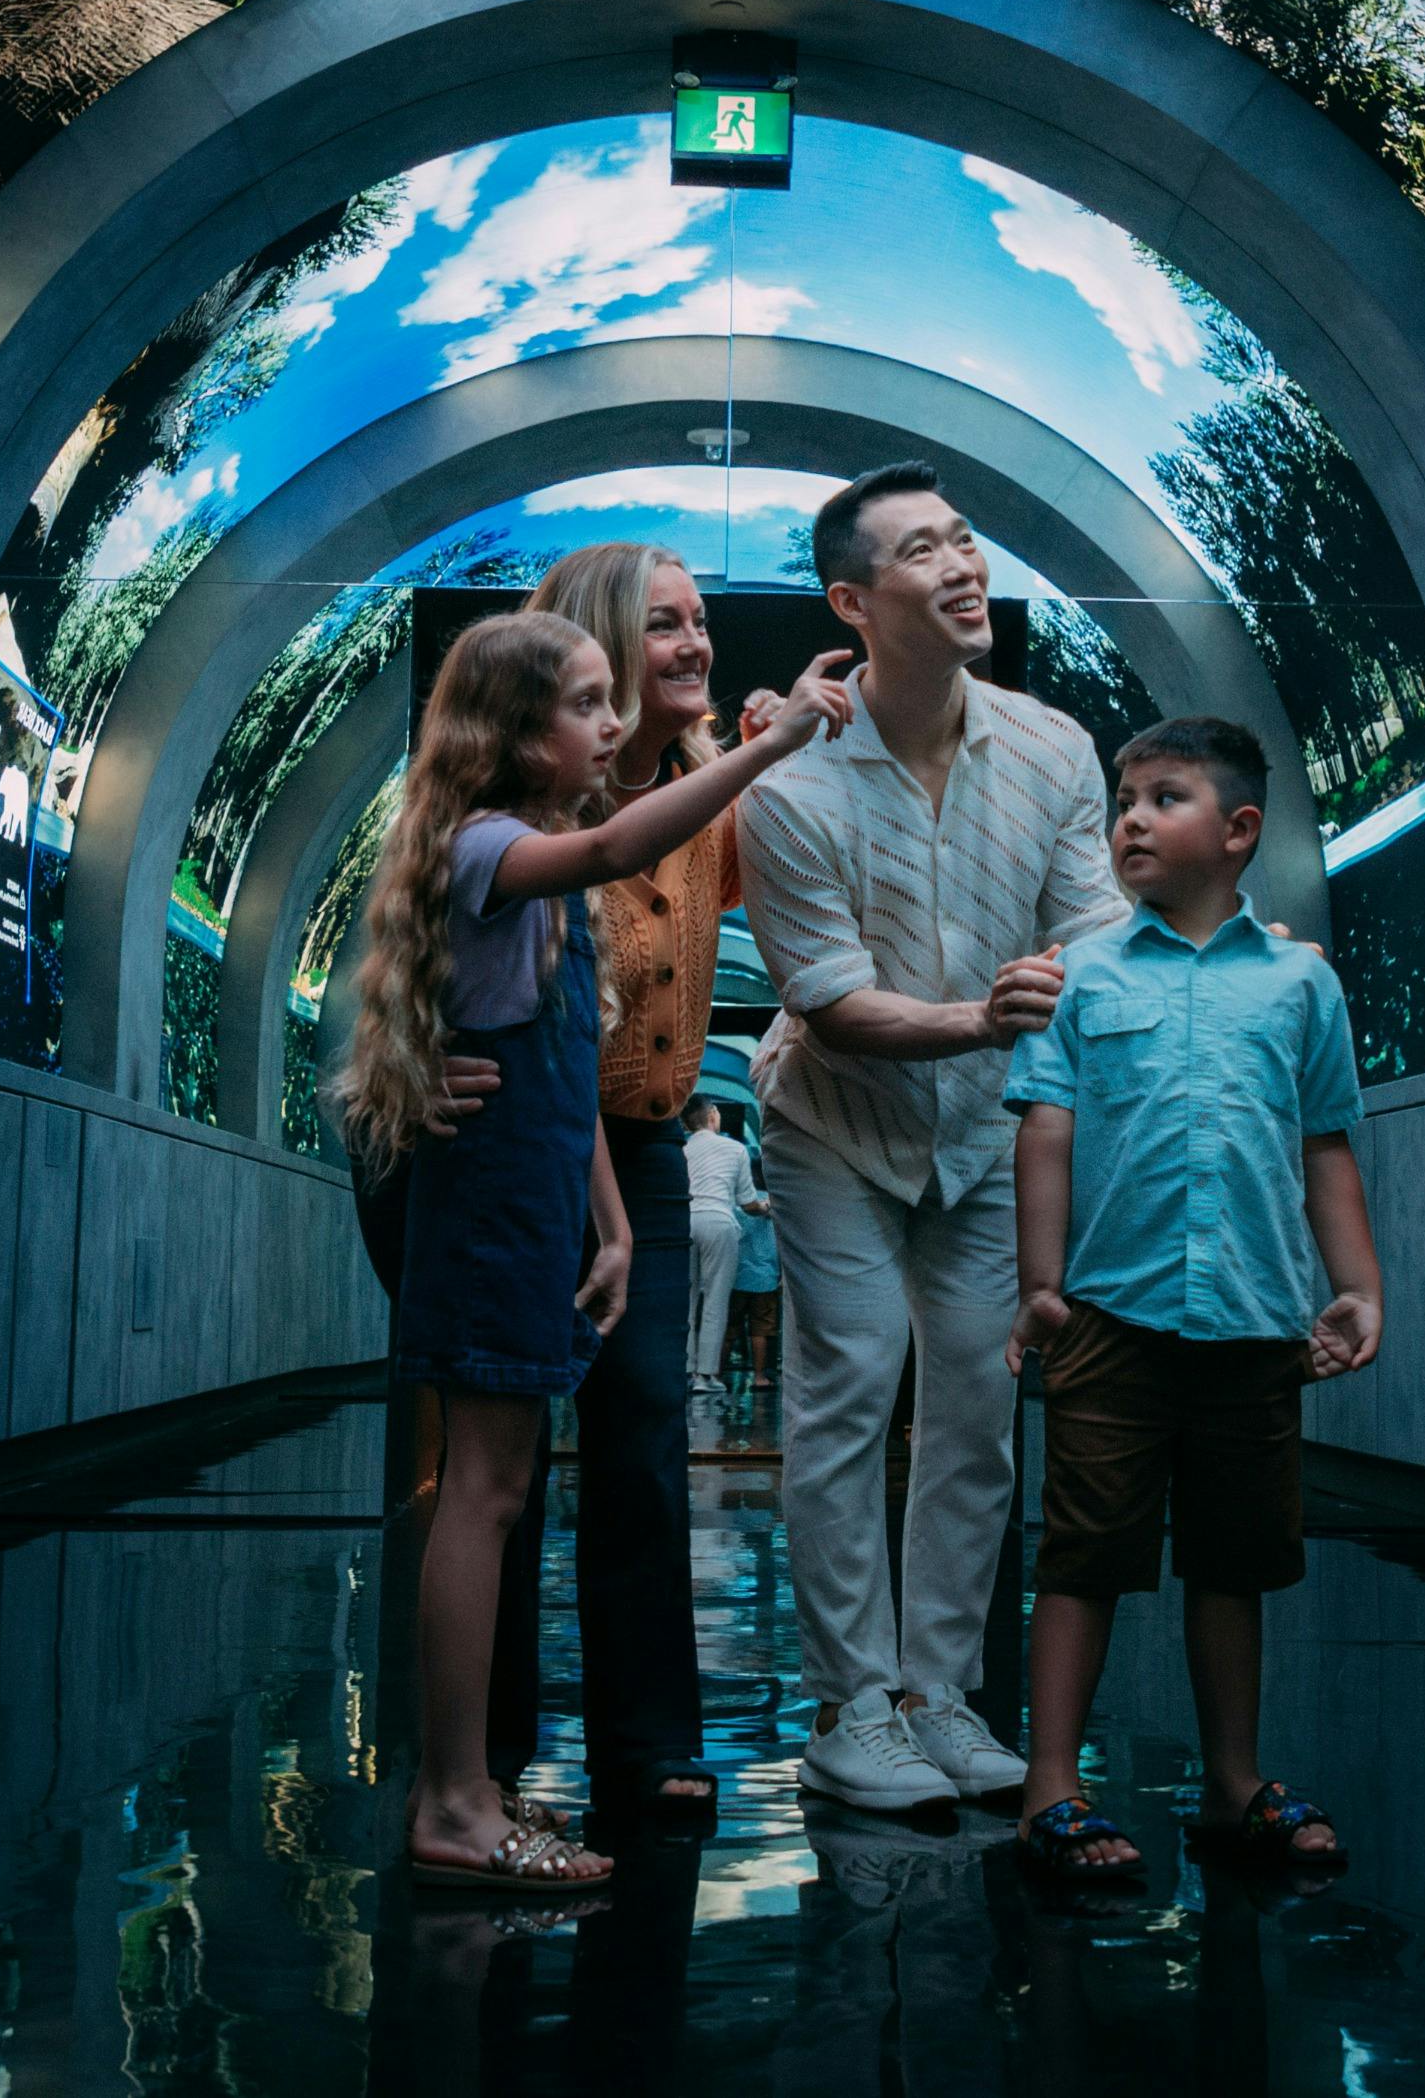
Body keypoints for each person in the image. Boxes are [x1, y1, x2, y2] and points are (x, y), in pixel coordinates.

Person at [339, 606, 853, 1893]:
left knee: (502, 1490)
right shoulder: (493, 847)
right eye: (583, 703)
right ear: (513, 738)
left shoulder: (537, 864)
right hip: (489, 1217)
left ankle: (463, 1788)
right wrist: (776, 741)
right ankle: (456, 1798)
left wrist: (616, 1222)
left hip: (539, 1207)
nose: (611, 722)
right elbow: (628, 839)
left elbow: (566, 1081)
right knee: (486, 1495)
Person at [737, 461, 1129, 1812]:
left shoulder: (1056, 744)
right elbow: (829, 1003)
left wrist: (1170, 959)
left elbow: (1091, 928)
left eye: (966, 536)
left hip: (980, 1133)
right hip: (833, 1124)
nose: (964, 563)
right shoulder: (788, 787)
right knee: (848, 1389)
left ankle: (942, 1696)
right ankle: (852, 1713)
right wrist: (981, 1016)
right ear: (854, 599)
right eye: (922, 549)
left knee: (977, 1403)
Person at [997, 717, 1384, 1888]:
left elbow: (1324, 1147)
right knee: (1083, 1554)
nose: (1127, 818)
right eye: (1121, 799)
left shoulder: (1302, 985)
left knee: (1236, 1559)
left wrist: (1357, 1284)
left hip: (1256, 1321)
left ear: (1237, 831)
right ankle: (1051, 1787)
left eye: (1160, 798)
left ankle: (1232, 1781)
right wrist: (1038, 1287)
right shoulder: (1079, 972)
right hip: (1108, 1317)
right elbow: (1046, 1134)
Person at [522, 540, 805, 1823]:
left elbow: (796, 839)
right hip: (519, 1135)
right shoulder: (535, 806)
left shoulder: (706, 802)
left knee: (642, 1446)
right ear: (594, 645)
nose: (696, 644)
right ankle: (481, 1756)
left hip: (635, 1137)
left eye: (701, 624)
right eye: (664, 627)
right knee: (500, 1460)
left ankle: (649, 1746)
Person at [680, 1096, 752, 1390]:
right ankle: (706, 1375)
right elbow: (747, 1202)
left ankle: (684, 1369)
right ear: (712, 1115)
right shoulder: (735, 1149)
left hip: (686, 1222)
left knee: (686, 1301)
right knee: (716, 1300)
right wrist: (767, 1205)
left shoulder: (681, 1150)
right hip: (720, 1222)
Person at [728, 1135, 784, 1390]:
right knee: (761, 1328)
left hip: (735, 1275)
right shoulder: (776, 1205)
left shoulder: (738, 1203)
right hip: (766, 1277)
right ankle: (761, 1376)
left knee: (729, 1327)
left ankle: (716, 1374)